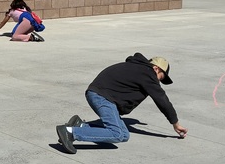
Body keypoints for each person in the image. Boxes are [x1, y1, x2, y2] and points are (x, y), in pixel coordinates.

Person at [56, 53, 187, 154]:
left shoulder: (138, 69)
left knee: (124, 135)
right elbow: (162, 100)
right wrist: (175, 124)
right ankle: (70, 132)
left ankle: (81, 125)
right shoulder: (148, 73)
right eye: (161, 78)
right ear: (156, 69)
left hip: (100, 94)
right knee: (116, 134)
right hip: (102, 97)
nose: (158, 82)